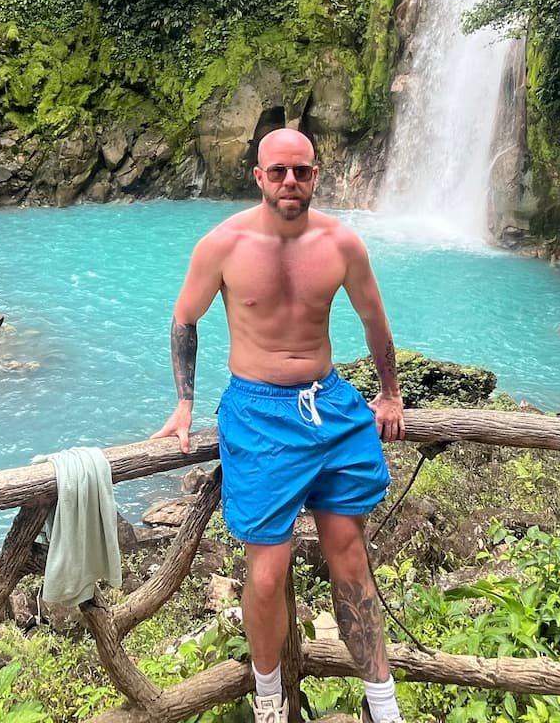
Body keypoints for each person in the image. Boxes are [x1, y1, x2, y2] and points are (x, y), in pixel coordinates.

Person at [152, 128, 406, 723]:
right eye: (278, 172)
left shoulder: (342, 243)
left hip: (331, 404)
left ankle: (382, 703)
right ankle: (271, 702)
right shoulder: (223, 244)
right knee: (267, 574)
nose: (290, 182)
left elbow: (375, 321)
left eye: (302, 171)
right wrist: (185, 403)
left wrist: (390, 393)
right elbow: (185, 320)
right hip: (259, 412)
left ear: (316, 175)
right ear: (259, 176)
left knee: (349, 554)